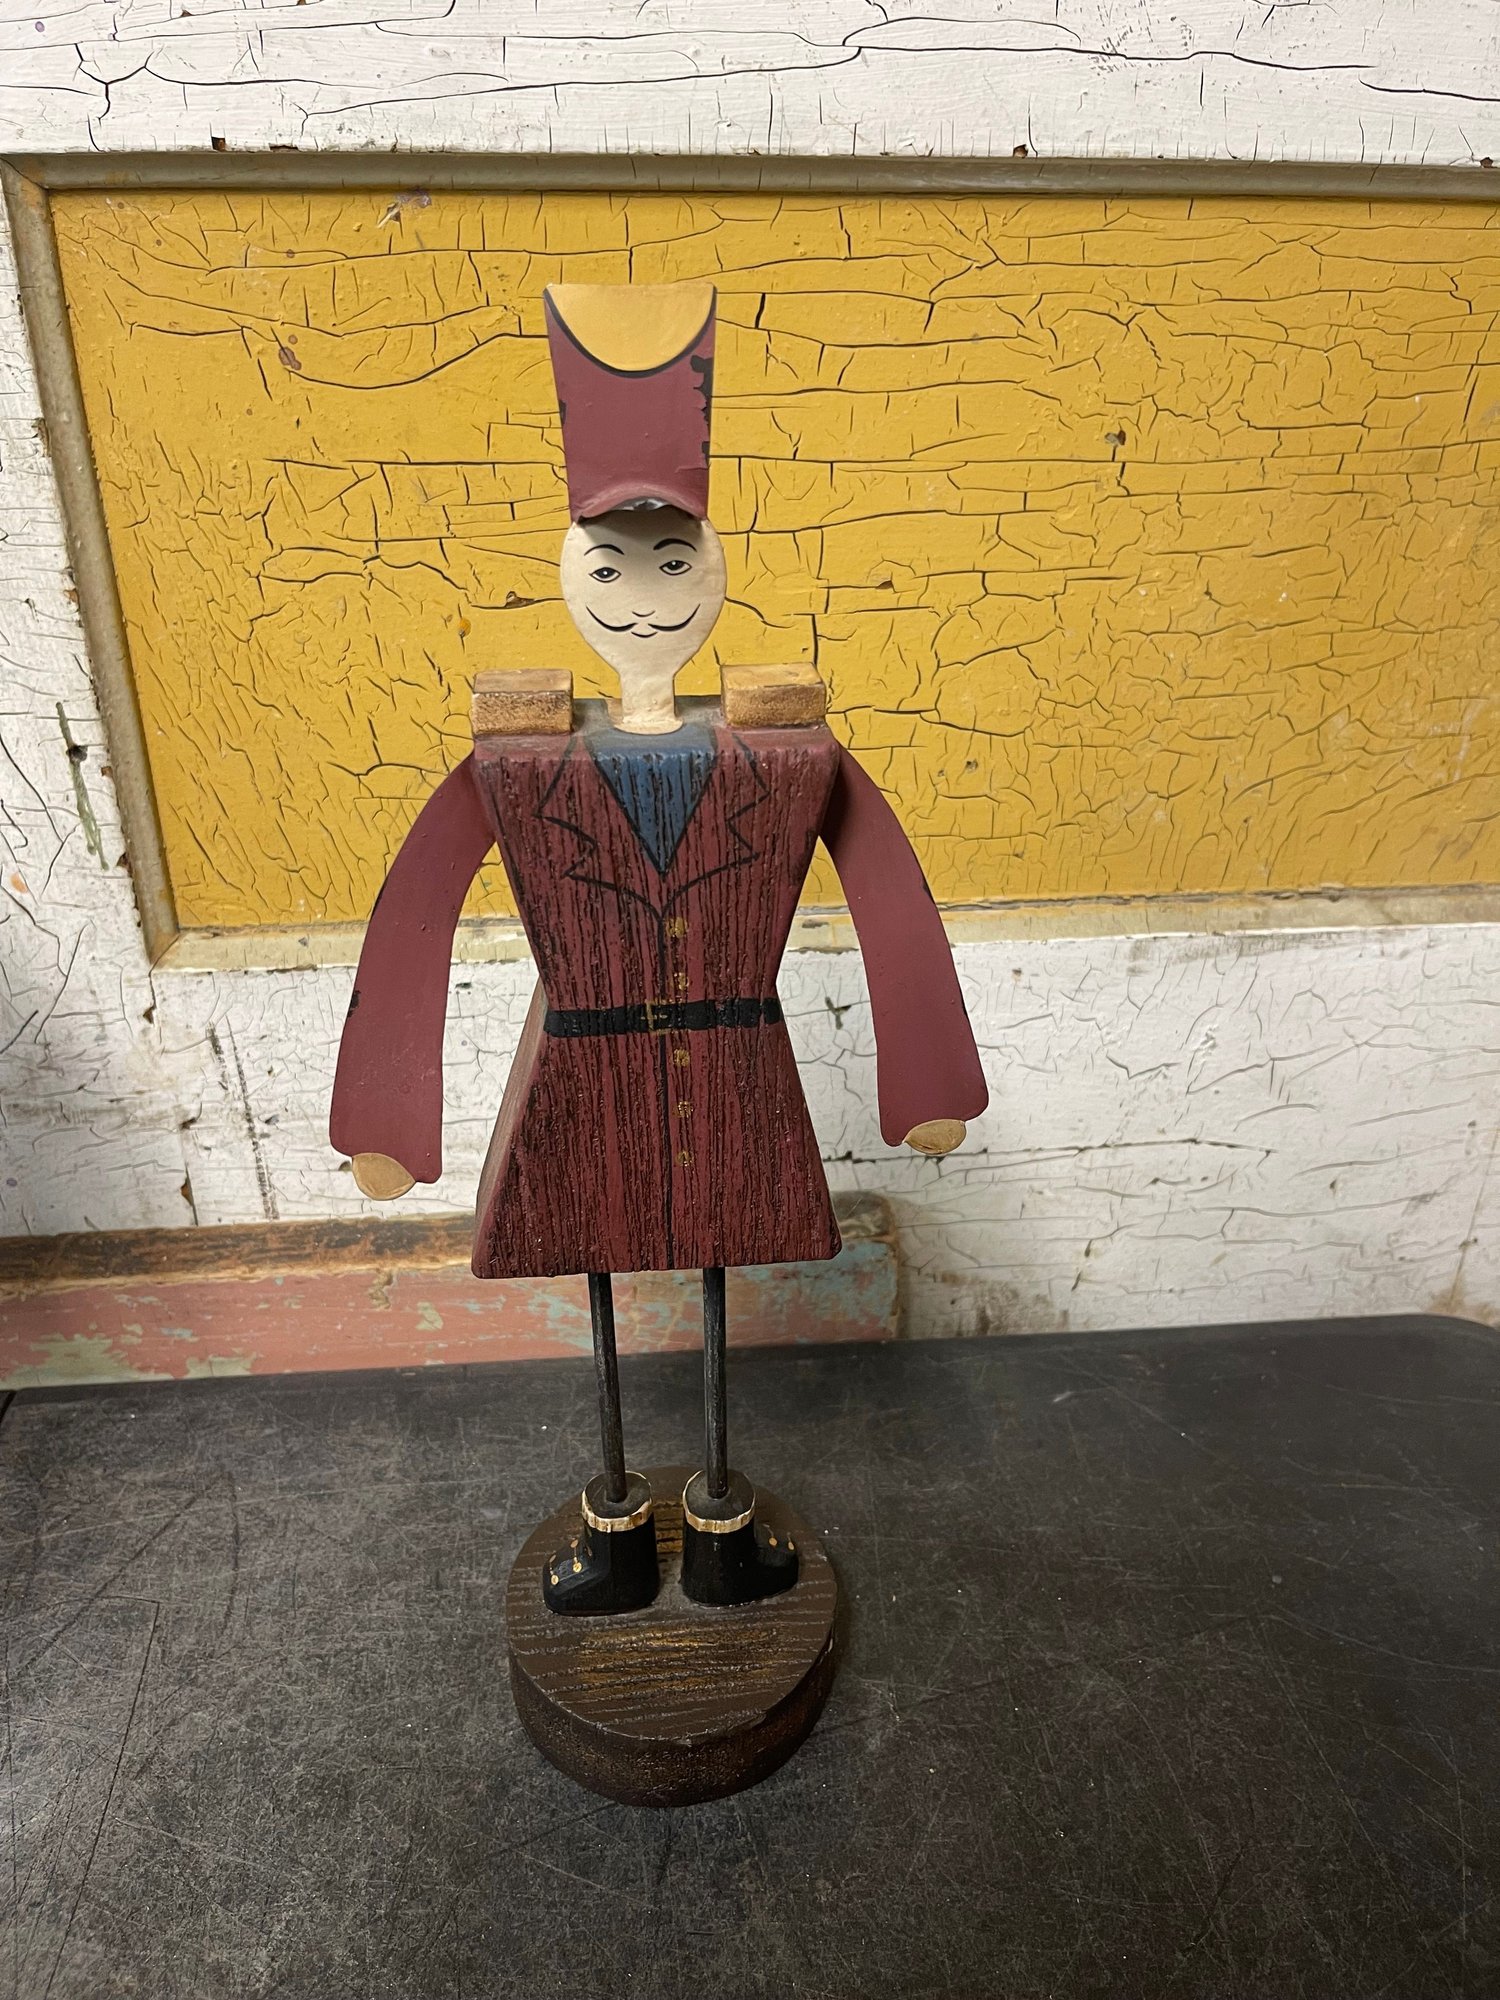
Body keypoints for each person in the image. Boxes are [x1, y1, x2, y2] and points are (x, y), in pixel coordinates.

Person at [331, 281, 987, 1616]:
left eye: (675, 565)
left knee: (718, 1278)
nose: (643, 600)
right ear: (572, 578)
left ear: (715, 570)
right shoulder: (519, 754)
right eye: (611, 569)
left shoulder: (784, 745)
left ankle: (724, 1518)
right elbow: (416, 917)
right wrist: (386, 1119)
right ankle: (617, 1521)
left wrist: (927, 1083)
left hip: (735, 1067)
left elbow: (888, 896)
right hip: (584, 1073)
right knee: (602, 1286)